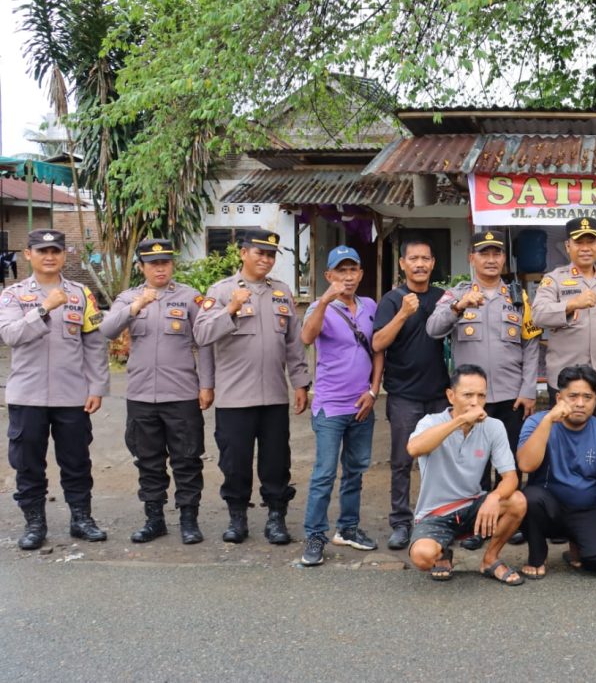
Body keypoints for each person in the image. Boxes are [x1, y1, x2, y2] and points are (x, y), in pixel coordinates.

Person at [193, 228, 310, 545]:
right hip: (234, 397)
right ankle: (237, 518)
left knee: (276, 461)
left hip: (273, 395)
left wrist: (300, 383)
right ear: (243, 253)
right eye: (260, 253)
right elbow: (202, 336)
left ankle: (276, 517)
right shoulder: (220, 291)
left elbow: (293, 345)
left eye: (271, 255)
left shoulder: (281, 292)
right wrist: (230, 308)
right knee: (235, 462)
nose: (266, 259)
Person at [426, 230, 540, 549]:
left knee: (509, 465)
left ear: (504, 259)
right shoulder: (455, 294)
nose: (491, 259)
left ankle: (507, 521)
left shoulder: (518, 296)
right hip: (471, 402)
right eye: (484, 253)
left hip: (511, 396)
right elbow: (433, 330)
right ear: (471, 258)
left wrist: (529, 388)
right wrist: (459, 307)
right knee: (473, 466)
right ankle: (474, 525)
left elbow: (531, 345)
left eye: (496, 254)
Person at [99, 238, 214, 544]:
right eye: (153, 264)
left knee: (188, 459)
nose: (160, 268)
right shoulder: (128, 298)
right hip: (141, 396)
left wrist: (207, 384)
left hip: (182, 395)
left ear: (171, 265)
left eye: (164, 262)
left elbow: (204, 344)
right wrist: (135, 308)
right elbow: (107, 330)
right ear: (141, 267)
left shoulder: (190, 298)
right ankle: (155, 520)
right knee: (148, 460)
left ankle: (189, 520)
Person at [1, 229, 110, 550]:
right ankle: (35, 523)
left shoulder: (82, 294)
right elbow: (10, 335)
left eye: (56, 251)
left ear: (65, 254)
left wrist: (98, 386)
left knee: (76, 461)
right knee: (28, 462)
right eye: (42, 251)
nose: (50, 257)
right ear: (28, 255)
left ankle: (81, 518)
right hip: (28, 395)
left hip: (72, 394)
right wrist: (43, 308)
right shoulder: (12, 295)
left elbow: (94, 344)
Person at [298, 246, 383, 566]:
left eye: (353, 270)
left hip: (362, 405)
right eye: (341, 271)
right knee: (323, 474)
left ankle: (348, 528)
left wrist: (374, 392)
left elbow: (377, 349)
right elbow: (307, 337)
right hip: (330, 407)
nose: (348, 277)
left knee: (355, 472)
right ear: (329, 275)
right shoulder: (320, 307)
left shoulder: (370, 306)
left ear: (360, 274)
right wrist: (323, 300)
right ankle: (315, 535)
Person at [405, 365, 528, 585]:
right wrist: (460, 421)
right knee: (423, 557)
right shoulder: (431, 422)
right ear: (450, 396)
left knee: (517, 501)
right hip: (435, 513)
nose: (475, 402)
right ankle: (442, 552)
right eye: (467, 395)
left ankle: (490, 559)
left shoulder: (493, 427)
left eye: (481, 395)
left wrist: (493, 497)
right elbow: (414, 449)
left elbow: (510, 477)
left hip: (472, 506)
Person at [373, 239, 450, 551]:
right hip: (404, 395)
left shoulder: (443, 298)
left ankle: (440, 518)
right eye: (413, 259)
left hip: (440, 395)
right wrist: (403, 313)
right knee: (403, 461)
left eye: (425, 258)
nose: (420, 264)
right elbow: (378, 343)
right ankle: (401, 523)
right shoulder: (392, 300)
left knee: (442, 460)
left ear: (433, 263)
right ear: (402, 264)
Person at [516, 364, 596, 577]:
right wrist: (549, 420)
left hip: (585, 508)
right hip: (547, 508)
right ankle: (538, 556)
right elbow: (526, 465)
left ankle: (576, 545)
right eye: (573, 396)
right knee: (529, 498)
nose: (580, 403)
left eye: (588, 397)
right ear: (559, 398)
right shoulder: (536, 422)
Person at [531, 217, 596, 428]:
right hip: (566, 382)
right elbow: (537, 315)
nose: (585, 248)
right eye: (579, 242)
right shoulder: (553, 280)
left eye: (590, 242)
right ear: (568, 246)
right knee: (565, 438)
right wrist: (571, 304)